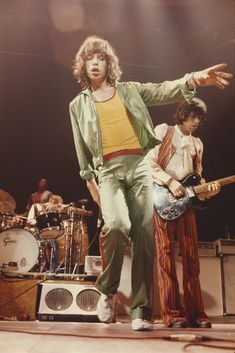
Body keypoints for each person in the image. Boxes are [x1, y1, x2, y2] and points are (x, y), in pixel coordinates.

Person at [69, 35, 232, 331]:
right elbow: (82, 151)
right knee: (117, 226)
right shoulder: (77, 105)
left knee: (145, 238)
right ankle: (106, 291)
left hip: (140, 166)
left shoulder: (130, 91)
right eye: (90, 58)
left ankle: (141, 311)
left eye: (101, 58)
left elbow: (163, 90)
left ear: (109, 64)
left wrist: (194, 78)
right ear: (82, 64)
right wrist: (91, 185)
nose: (95, 62)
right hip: (108, 171)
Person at [147, 98, 220, 328]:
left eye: (199, 118)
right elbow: (148, 163)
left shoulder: (197, 143)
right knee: (165, 256)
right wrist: (169, 181)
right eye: (192, 116)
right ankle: (171, 314)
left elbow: (197, 179)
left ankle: (196, 313)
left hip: (186, 204)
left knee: (191, 258)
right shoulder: (163, 131)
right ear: (182, 114)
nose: (196, 121)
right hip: (162, 199)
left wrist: (208, 191)